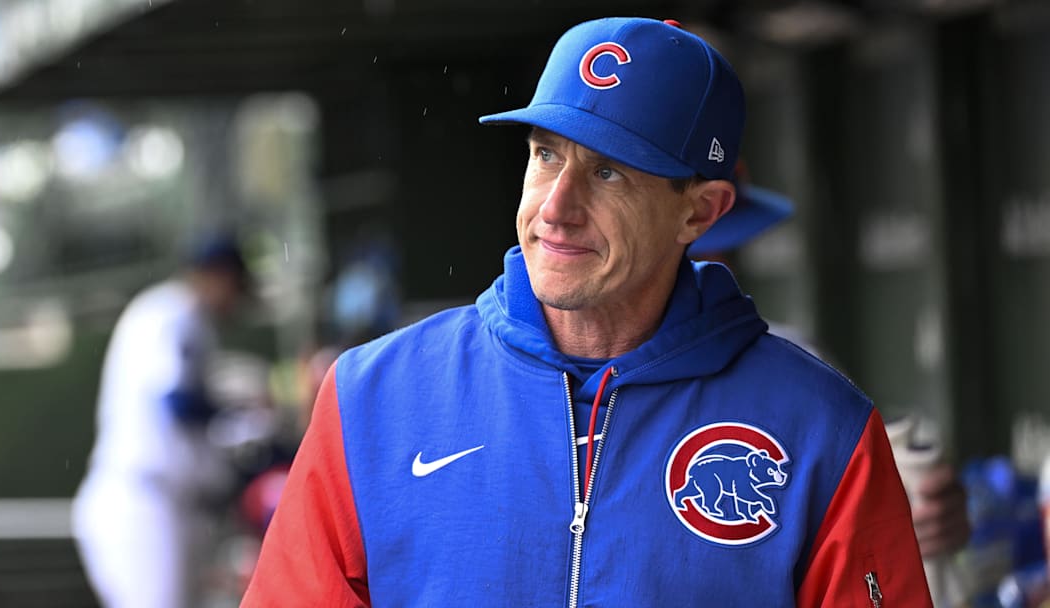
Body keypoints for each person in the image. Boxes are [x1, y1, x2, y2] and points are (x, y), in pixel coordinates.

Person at [243, 17, 932, 606]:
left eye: (608, 172)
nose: (556, 208)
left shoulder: (820, 429)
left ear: (701, 210)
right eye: (546, 155)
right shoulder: (373, 397)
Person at [691, 164, 972, 603]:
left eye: (722, 245)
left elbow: (873, 512)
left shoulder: (793, 359)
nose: (713, 264)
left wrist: (929, 512)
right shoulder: (564, 381)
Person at [72, 233, 251, 608]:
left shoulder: (191, 319)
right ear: (216, 275)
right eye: (235, 285)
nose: (237, 299)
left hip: (166, 505)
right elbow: (176, 401)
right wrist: (239, 406)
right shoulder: (170, 312)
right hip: (140, 504)